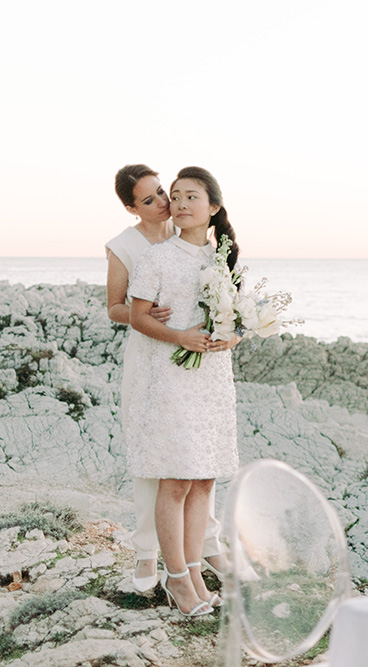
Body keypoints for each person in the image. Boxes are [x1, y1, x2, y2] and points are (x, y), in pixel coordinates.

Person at [106, 165, 231, 594]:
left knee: (201, 471)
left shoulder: (215, 254)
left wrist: (229, 335)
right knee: (165, 467)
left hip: (204, 369)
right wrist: (168, 328)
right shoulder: (136, 249)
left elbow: (227, 312)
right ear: (132, 207)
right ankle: (158, 561)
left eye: (170, 193)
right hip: (156, 362)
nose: (167, 203)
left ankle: (198, 558)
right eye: (156, 198)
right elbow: (122, 310)